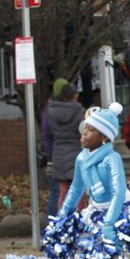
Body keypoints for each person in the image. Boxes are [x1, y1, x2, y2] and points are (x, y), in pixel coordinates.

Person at [51, 104, 130, 259]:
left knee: (114, 255)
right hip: (95, 210)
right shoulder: (81, 158)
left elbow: (118, 192)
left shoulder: (110, 158)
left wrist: (109, 225)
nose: (84, 133)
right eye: (85, 129)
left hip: (116, 210)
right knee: (63, 244)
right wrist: (62, 215)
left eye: (91, 130)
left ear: (104, 137)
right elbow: (76, 189)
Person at [41, 82, 86, 215]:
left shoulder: (51, 112)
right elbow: (85, 132)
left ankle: (62, 220)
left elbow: (48, 135)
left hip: (58, 154)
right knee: (79, 191)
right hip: (77, 154)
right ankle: (79, 219)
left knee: (63, 191)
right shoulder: (80, 111)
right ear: (74, 95)